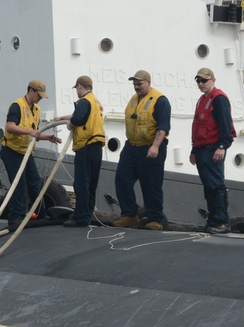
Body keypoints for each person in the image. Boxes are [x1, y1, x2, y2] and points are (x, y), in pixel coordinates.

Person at [0, 79, 61, 231]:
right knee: (18, 184)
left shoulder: (37, 110)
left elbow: (35, 133)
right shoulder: (17, 106)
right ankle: (16, 218)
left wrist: (47, 138)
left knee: (34, 182)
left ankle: (40, 214)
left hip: (26, 152)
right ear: (31, 91)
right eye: (39, 95)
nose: (40, 99)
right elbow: (10, 126)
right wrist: (30, 132)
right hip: (12, 151)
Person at [113, 70, 171, 230]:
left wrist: (155, 146)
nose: (136, 87)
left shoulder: (160, 101)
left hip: (150, 147)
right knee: (121, 179)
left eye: (139, 84)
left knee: (151, 184)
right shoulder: (133, 100)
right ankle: (130, 214)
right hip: (131, 147)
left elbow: (163, 126)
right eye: (134, 84)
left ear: (148, 83)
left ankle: (155, 219)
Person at [190, 67, 235, 233]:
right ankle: (213, 220)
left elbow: (226, 125)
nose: (201, 84)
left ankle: (222, 221)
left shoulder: (219, 99)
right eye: (198, 81)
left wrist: (222, 146)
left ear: (213, 80)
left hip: (213, 148)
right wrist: (194, 150)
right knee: (208, 186)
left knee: (216, 185)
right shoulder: (203, 100)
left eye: (204, 80)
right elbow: (198, 127)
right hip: (202, 149)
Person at [57, 75, 105, 227]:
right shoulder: (95, 101)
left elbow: (78, 118)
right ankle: (87, 214)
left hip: (86, 146)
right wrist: (61, 118)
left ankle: (80, 217)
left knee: (81, 183)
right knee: (91, 183)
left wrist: (70, 124)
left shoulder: (84, 101)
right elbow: (80, 115)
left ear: (79, 86)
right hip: (96, 147)